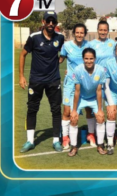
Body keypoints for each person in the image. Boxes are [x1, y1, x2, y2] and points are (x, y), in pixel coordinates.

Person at [19, 11, 65, 153]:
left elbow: (64, 53)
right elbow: (23, 54)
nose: (51, 23)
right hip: (36, 81)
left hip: (53, 80)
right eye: (48, 20)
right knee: (32, 109)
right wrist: (21, 76)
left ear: (56, 23)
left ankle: (56, 141)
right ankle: (30, 141)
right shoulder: (34, 37)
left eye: (53, 21)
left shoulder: (60, 38)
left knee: (56, 110)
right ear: (43, 21)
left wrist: (58, 62)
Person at [59, 24, 92, 150]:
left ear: (85, 33)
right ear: (74, 33)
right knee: (67, 111)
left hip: (86, 83)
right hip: (71, 83)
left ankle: (91, 134)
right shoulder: (67, 46)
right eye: (77, 32)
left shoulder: (88, 46)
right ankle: (65, 138)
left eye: (82, 32)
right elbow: (60, 59)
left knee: (89, 110)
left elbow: (93, 61)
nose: (79, 35)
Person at [69, 48, 107, 156]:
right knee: (73, 119)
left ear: (95, 59)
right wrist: (74, 110)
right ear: (83, 59)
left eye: (91, 59)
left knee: (100, 118)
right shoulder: (78, 70)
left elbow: (99, 91)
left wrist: (100, 110)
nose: (89, 61)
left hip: (94, 98)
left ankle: (100, 145)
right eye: (86, 58)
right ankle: (74, 147)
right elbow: (77, 91)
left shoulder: (100, 70)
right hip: (81, 97)